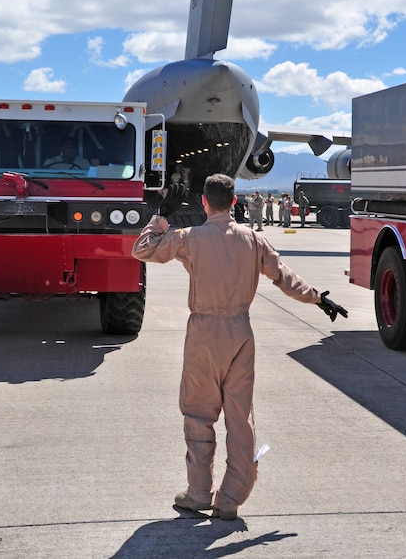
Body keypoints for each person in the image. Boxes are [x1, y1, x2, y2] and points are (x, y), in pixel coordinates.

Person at [131, 173, 347, 521]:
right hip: (241, 333)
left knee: (199, 415)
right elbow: (283, 276)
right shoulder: (254, 240)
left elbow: (141, 250)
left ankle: (199, 492)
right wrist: (318, 298)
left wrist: (161, 214)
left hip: (203, 333)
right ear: (234, 202)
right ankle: (229, 500)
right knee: (240, 419)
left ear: (204, 202)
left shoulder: (190, 238)